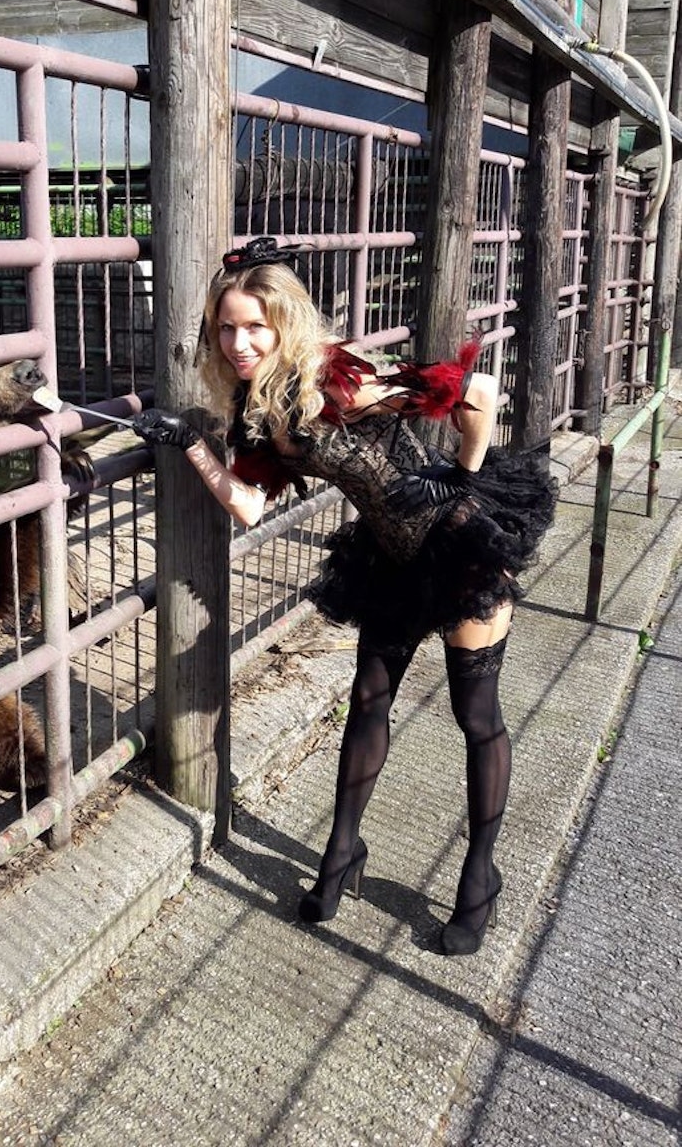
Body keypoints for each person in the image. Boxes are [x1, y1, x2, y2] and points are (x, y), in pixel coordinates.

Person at [132, 236, 557, 956]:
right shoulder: (260, 408)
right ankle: (341, 852)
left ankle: (481, 874)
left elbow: (478, 393)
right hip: (392, 560)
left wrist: (459, 476)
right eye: (226, 328)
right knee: (367, 702)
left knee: (475, 714)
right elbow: (249, 506)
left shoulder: (338, 381)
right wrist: (190, 445)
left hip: (460, 548)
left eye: (255, 327)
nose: (239, 343)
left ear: (284, 325)